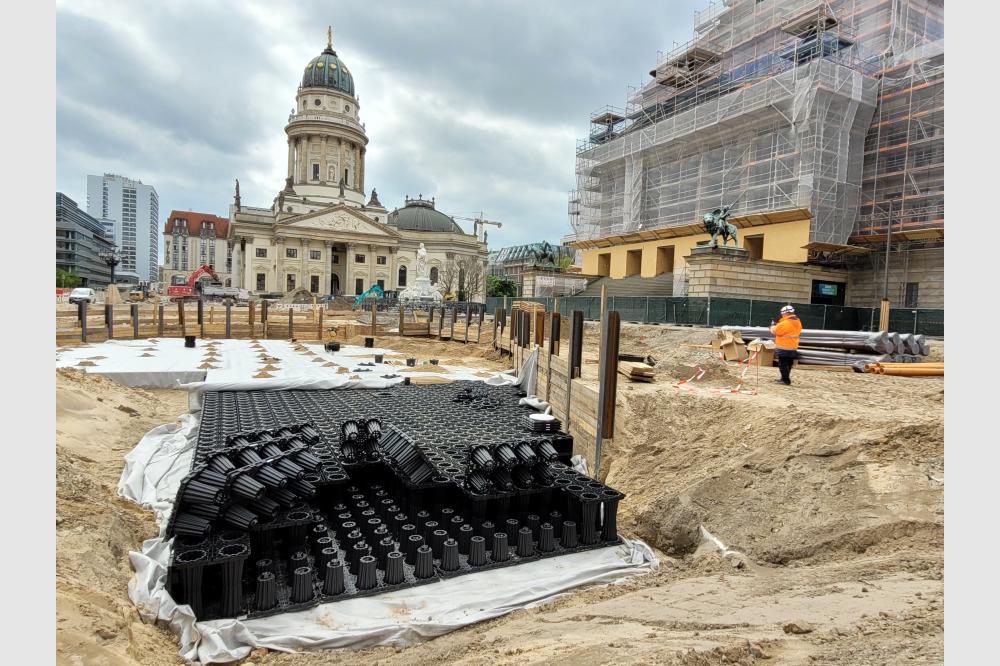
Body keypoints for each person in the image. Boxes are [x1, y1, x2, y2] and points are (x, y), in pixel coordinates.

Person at [770, 305, 802, 386]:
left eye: (782, 314)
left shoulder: (785, 323)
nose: (782, 315)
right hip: (793, 347)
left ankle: (785, 380)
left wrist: (772, 326)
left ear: (786, 313)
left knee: (783, 365)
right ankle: (784, 378)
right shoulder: (798, 321)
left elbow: (775, 331)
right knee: (789, 364)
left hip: (784, 347)